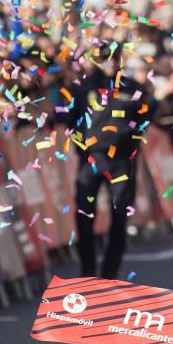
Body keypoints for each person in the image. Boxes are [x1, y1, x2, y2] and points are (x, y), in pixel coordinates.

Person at [66, 45, 152, 279]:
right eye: (102, 59)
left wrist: (130, 144)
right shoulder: (83, 86)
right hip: (91, 160)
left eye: (112, 58)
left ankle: (110, 273)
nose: (107, 63)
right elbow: (70, 121)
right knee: (84, 216)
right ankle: (88, 270)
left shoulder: (133, 88)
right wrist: (81, 148)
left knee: (120, 216)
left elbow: (144, 120)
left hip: (121, 162)